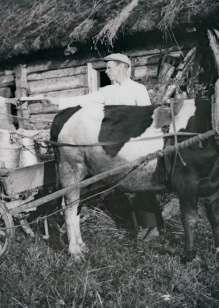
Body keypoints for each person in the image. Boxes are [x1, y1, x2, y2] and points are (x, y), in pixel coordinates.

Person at [44, 53, 164, 241]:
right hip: (113, 147)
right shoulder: (107, 91)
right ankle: (130, 224)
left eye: (109, 67)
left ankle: (153, 227)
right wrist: (56, 102)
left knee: (143, 185)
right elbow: (83, 99)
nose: (106, 71)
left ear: (122, 67)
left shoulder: (138, 89)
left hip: (135, 145)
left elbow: (146, 118)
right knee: (117, 183)